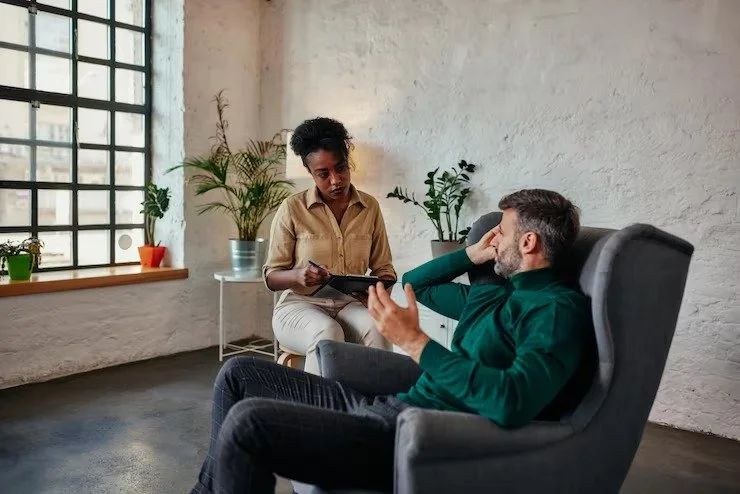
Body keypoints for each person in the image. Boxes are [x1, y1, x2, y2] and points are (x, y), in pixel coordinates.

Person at [191, 188, 594, 494]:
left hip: (410, 433)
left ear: (528, 244)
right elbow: (415, 283)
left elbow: (512, 401)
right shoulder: (491, 293)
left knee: (251, 424)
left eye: (501, 233)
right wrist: (471, 256)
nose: (494, 239)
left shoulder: (554, 310)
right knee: (239, 373)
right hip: (387, 408)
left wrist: (417, 343)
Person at [263, 117, 397, 375]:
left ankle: (376, 408)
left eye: (341, 168)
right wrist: (298, 275)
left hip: (350, 305)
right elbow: (271, 277)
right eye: (323, 174)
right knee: (327, 331)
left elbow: (384, 268)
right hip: (299, 306)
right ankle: (319, 411)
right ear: (309, 171)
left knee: (379, 327)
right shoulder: (292, 208)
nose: (336, 180)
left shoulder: (370, 207)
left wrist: (377, 290)